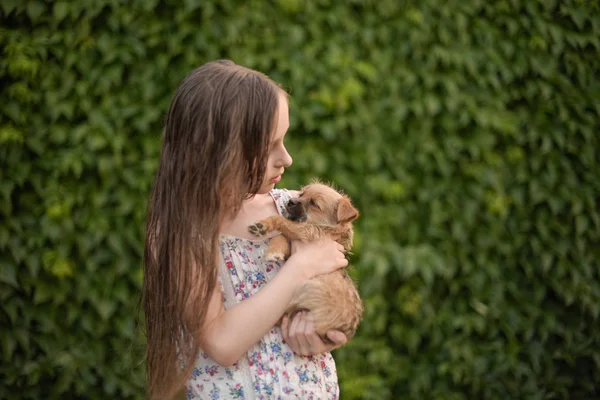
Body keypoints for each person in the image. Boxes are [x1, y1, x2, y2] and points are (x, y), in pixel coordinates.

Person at [143, 60, 349, 400]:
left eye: (284, 140)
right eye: (270, 146)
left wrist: (325, 330)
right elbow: (223, 342)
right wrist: (300, 267)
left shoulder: (291, 208)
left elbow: (339, 305)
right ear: (219, 153)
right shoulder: (181, 233)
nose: (287, 158)